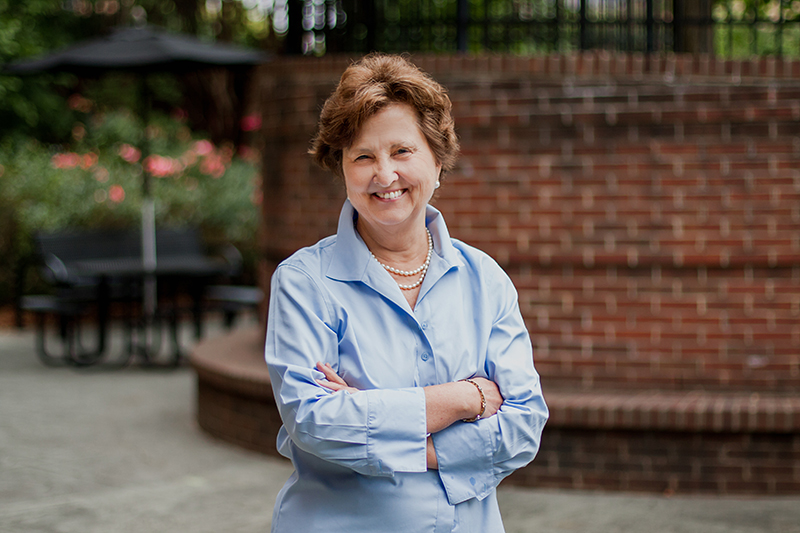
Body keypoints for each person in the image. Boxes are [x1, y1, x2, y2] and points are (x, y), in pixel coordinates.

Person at [265, 53, 548, 532]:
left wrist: (377, 421)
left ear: (437, 161)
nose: (384, 174)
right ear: (343, 170)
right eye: (363, 156)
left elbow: (523, 426)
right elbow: (315, 421)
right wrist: (465, 398)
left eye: (402, 151)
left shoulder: (486, 280)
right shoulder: (303, 283)